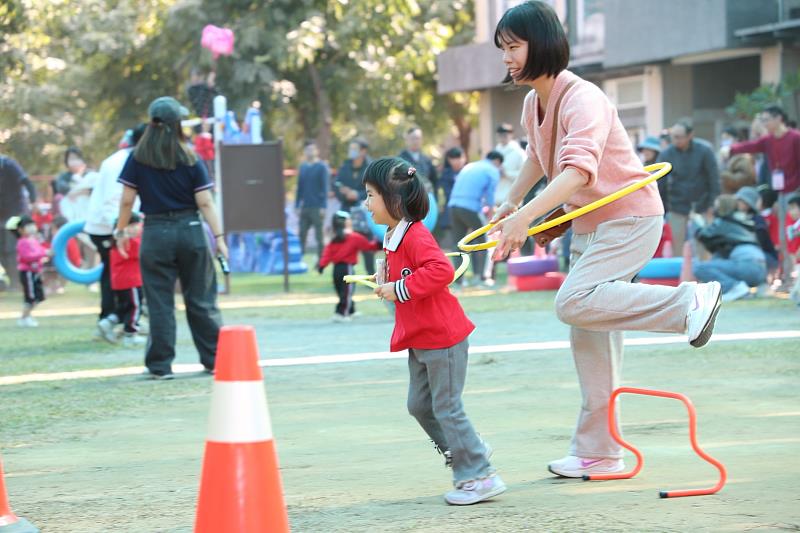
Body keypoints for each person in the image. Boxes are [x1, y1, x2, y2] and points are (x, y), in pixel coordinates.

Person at [491, 1, 722, 479]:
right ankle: (600, 452)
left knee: (573, 301)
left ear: (543, 44)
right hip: (589, 224)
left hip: (629, 219)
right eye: (504, 50)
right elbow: (539, 155)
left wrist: (526, 220)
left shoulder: (583, 97)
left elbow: (578, 169)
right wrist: (512, 202)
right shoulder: (535, 102)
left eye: (514, 47)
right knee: (590, 340)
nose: (507, 58)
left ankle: (689, 302)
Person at [364, 156, 505, 505]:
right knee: (419, 405)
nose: (365, 203)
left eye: (370, 195)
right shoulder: (392, 235)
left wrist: (398, 289)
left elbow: (440, 270)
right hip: (421, 338)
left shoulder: (415, 234)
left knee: (446, 407)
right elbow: (406, 276)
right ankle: (466, 449)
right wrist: (385, 283)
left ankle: (478, 474)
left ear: (393, 200)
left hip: (443, 337)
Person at [115, 96, 227, 380]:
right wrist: (220, 237)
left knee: (160, 302)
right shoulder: (190, 157)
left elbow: (127, 200)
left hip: (154, 233)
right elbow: (205, 202)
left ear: (151, 123)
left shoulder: (137, 157)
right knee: (201, 298)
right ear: (178, 124)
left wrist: (121, 230)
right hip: (190, 230)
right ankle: (214, 360)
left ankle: (160, 366)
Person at [86, 124, 146, 342]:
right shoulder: (119, 163)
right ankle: (113, 319)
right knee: (118, 277)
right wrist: (120, 231)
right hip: (109, 228)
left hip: (117, 225)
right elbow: (113, 201)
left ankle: (117, 319)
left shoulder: (128, 160)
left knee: (120, 276)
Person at [657, 121, 721, 257]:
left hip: (702, 204)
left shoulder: (705, 150)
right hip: (676, 205)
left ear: (690, 135)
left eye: (679, 137)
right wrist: (661, 208)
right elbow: (659, 182)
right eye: (673, 137)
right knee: (676, 245)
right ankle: (679, 275)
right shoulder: (667, 154)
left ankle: (703, 274)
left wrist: (712, 203)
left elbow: (714, 178)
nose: (675, 140)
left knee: (703, 244)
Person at [693, 195, 767, 301]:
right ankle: (737, 288)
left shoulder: (724, 221)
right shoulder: (744, 220)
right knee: (717, 258)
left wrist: (698, 221)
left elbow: (703, 235)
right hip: (761, 270)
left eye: (716, 206)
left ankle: (733, 287)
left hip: (747, 265)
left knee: (699, 267)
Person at [448, 151, 503, 285]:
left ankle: (459, 279)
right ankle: (483, 277)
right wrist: (492, 216)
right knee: (484, 241)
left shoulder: (470, 166)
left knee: (459, 243)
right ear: (497, 162)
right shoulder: (492, 170)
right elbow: (490, 195)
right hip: (470, 207)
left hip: (453, 206)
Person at [317, 211, 381, 322]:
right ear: (346, 223)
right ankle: (341, 313)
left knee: (342, 292)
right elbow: (369, 247)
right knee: (346, 292)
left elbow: (327, 254)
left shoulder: (333, 239)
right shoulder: (354, 237)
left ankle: (351, 311)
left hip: (336, 270)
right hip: (347, 269)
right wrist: (379, 243)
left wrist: (322, 266)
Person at [721, 106, 800, 195]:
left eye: (766, 120)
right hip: (779, 191)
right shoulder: (768, 140)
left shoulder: (796, 137)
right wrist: (730, 149)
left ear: (779, 118)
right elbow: (750, 146)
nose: (764, 124)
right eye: (763, 120)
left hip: (796, 190)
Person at [336, 138, 375, 274]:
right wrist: (344, 193)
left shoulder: (370, 167)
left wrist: (357, 195)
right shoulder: (345, 165)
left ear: (363, 151)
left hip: (364, 211)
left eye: (354, 148)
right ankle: (345, 276)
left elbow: (375, 187)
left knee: (366, 244)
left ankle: (371, 275)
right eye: (350, 148)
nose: (351, 151)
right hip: (346, 210)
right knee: (344, 244)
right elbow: (336, 183)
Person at [0, 155, 36, 290]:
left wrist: (33, 201)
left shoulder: (9, 164)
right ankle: (12, 280)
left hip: (15, 212)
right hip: (1, 214)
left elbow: (26, 182)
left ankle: (17, 282)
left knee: (11, 248)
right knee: (1, 250)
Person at [6, 215, 49, 327]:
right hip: (28, 273)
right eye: (28, 226)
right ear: (20, 230)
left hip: (35, 272)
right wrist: (43, 254)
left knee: (39, 296)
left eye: (32, 225)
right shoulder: (22, 242)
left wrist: (46, 252)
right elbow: (27, 257)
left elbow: (40, 250)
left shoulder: (33, 240)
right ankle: (24, 318)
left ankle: (27, 316)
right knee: (30, 297)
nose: (32, 228)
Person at [110, 212, 145, 347]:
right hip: (130, 281)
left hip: (121, 282)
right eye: (135, 225)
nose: (138, 228)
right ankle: (131, 333)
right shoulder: (128, 242)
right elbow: (142, 249)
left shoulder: (119, 242)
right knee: (135, 307)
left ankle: (114, 325)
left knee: (126, 307)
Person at [295, 141, 330, 262]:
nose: (310, 152)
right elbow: (299, 187)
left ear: (316, 151)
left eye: (312, 149)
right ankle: (300, 259)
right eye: (307, 149)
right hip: (305, 206)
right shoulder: (303, 167)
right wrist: (297, 205)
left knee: (319, 236)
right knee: (301, 234)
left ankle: (321, 260)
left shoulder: (322, 167)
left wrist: (323, 206)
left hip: (317, 206)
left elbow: (325, 188)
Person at [735, 186, 778, 274]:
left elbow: (759, 244)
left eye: (740, 200)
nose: (737, 203)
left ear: (748, 203)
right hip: (747, 256)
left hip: (764, 257)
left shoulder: (758, 220)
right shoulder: (737, 218)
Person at [436, 147, 467, 246]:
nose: (458, 160)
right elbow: (445, 192)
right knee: (455, 243)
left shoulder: (468, 171)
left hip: (469, 210)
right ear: (449, 159)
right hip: (451, 212)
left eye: (460, 157)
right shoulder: (445, 174)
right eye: (455, 158)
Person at [399, 126, 438, 193]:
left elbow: (434, 181)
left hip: (427, 198)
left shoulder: (427, 160)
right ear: (406, 140)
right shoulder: (400, 160)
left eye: (418, 138)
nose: (415, 141)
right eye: (412, 138)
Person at [494, 123, 527, 203]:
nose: (503, 137)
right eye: (500, 135)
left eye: (505, 134)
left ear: (511, 135)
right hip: (496, 196)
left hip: (511, 197)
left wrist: (507, 174)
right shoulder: (495, 152)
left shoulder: (519, 153)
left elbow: (525, 174)